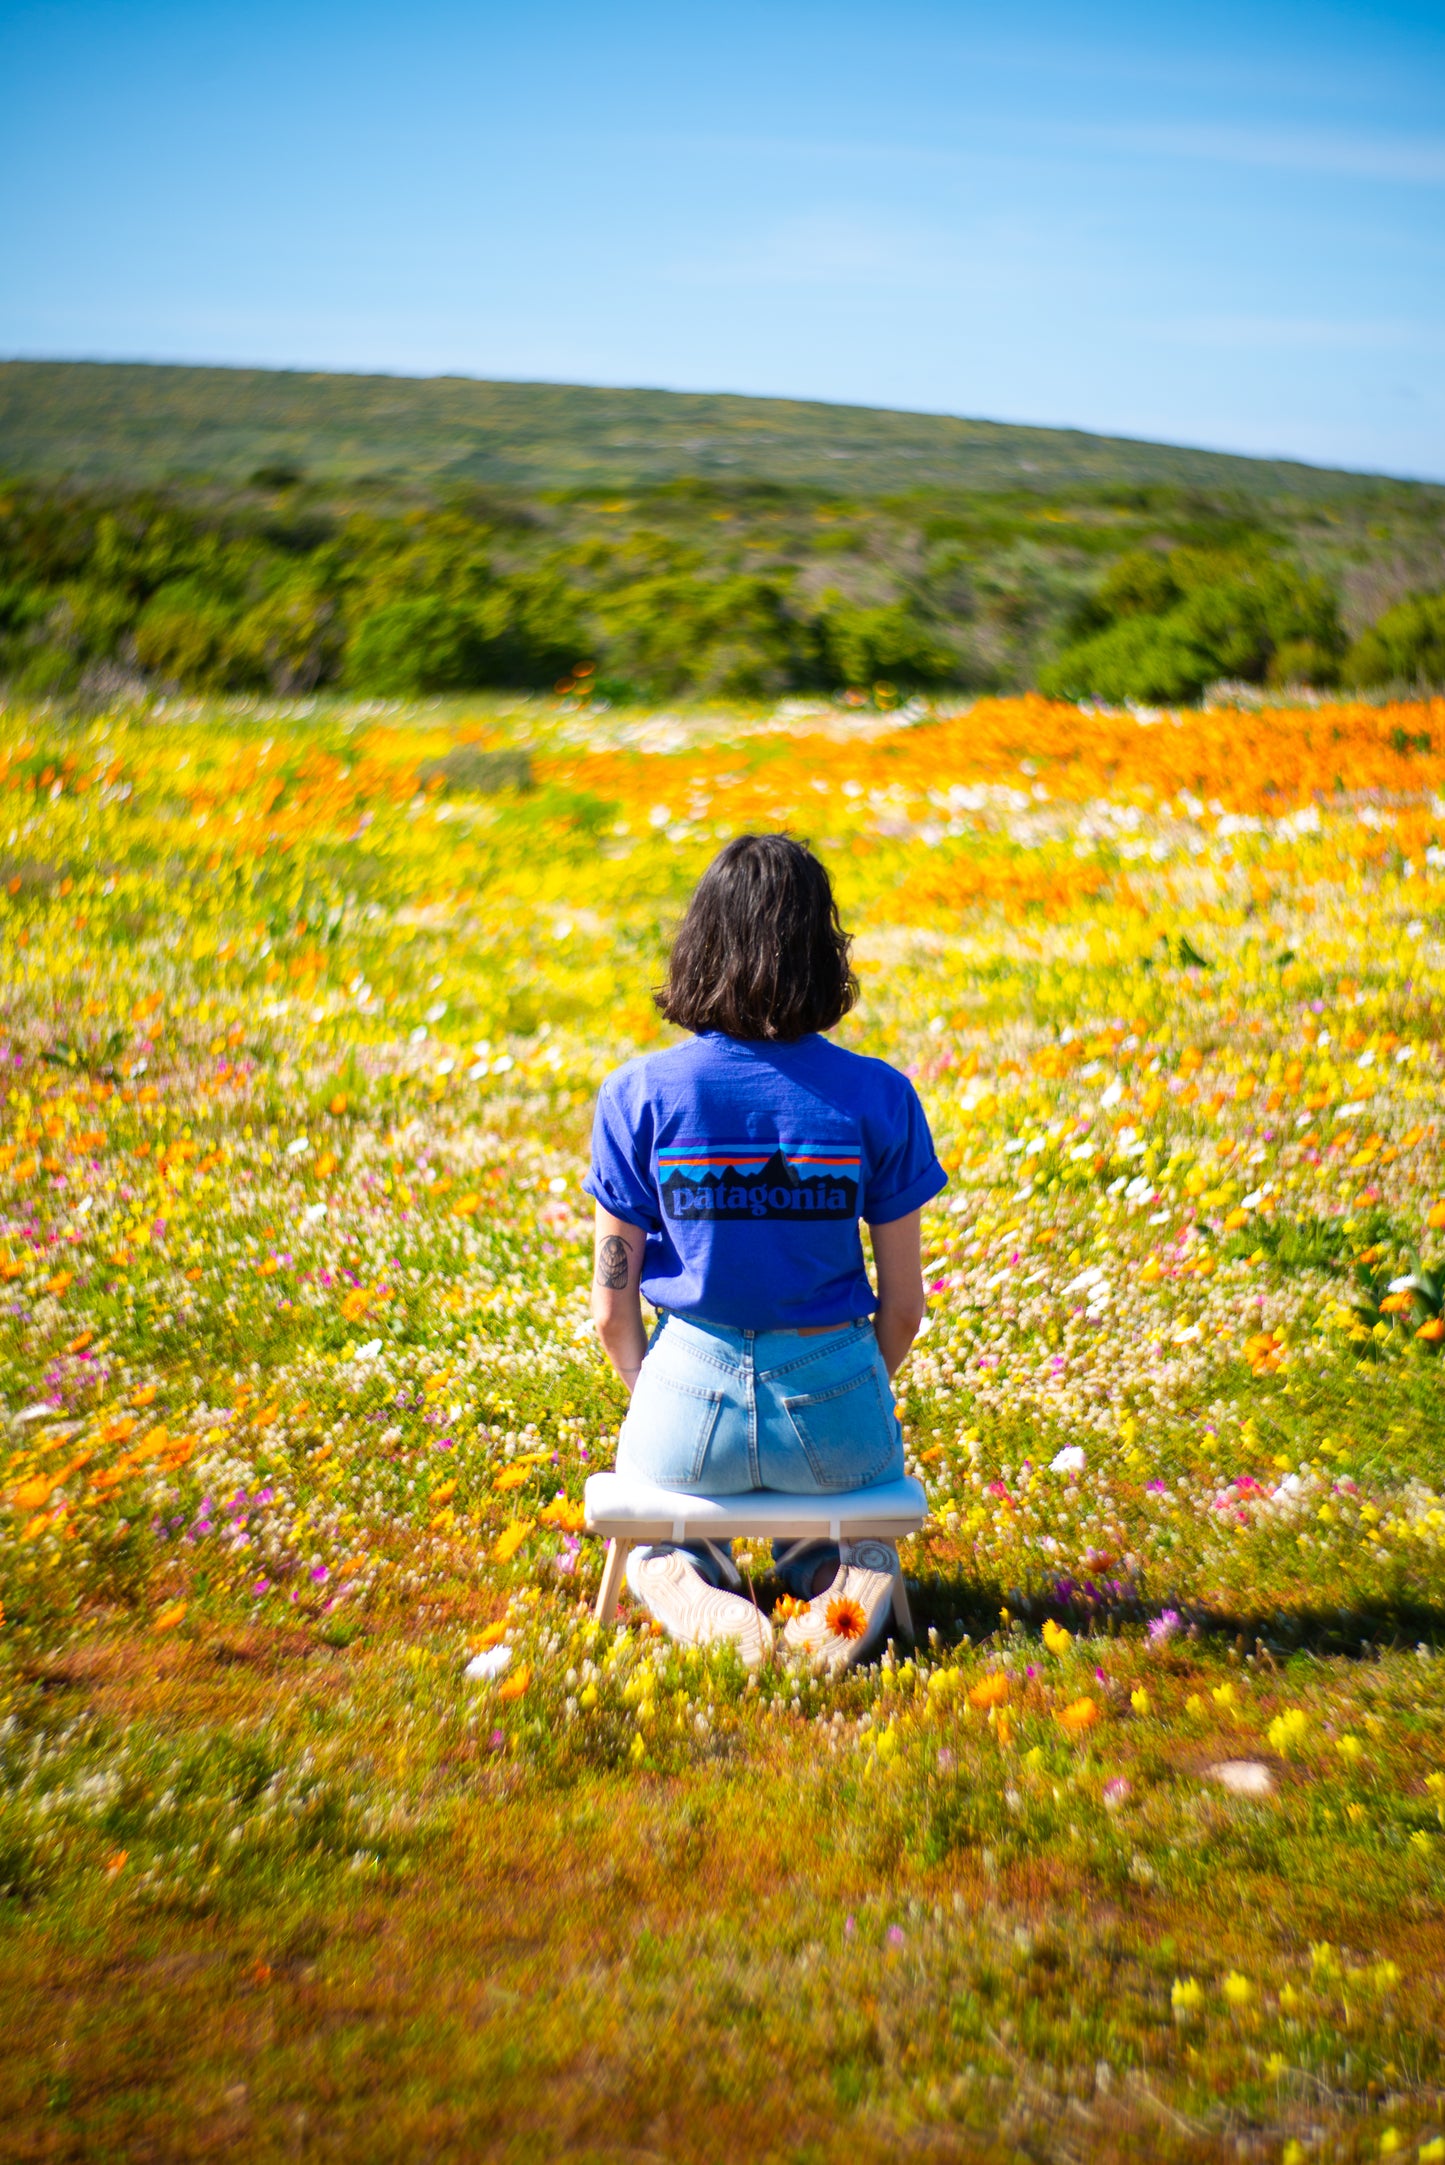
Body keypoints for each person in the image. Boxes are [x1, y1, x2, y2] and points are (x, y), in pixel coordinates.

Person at [584, 832, 945, 1668]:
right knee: (844, 1512)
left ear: (699, 944)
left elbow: (611, 1305)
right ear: (824, 954)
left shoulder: (636, 1093)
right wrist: (841, 1387)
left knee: (658, 1525)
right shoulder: (879, 1094)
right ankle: (843, 1574)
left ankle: (681, 1572)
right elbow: (903, 1305)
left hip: (686, 1390)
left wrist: (660, 1392)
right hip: (833, 1390)